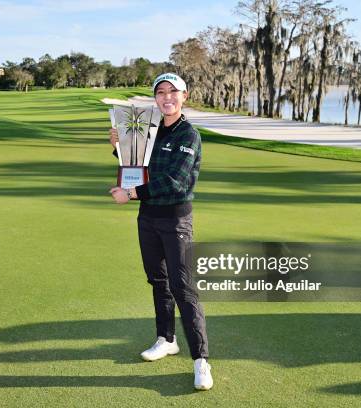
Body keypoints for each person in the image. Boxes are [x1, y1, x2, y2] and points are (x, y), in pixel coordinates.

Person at [108, 73, 213, 391]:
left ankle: (201, 361)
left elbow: (175, 182)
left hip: (176, 220)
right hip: (148, 218)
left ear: (184, 96)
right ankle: (166, 339)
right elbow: (139, 166)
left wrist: (132, 194)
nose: (167, 97)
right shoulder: (152, 132)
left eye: (173, 92)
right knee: (158, 280)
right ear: (155, 98)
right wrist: (119, 147)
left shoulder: (189, 135)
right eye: (161, 92)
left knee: (183, 289)